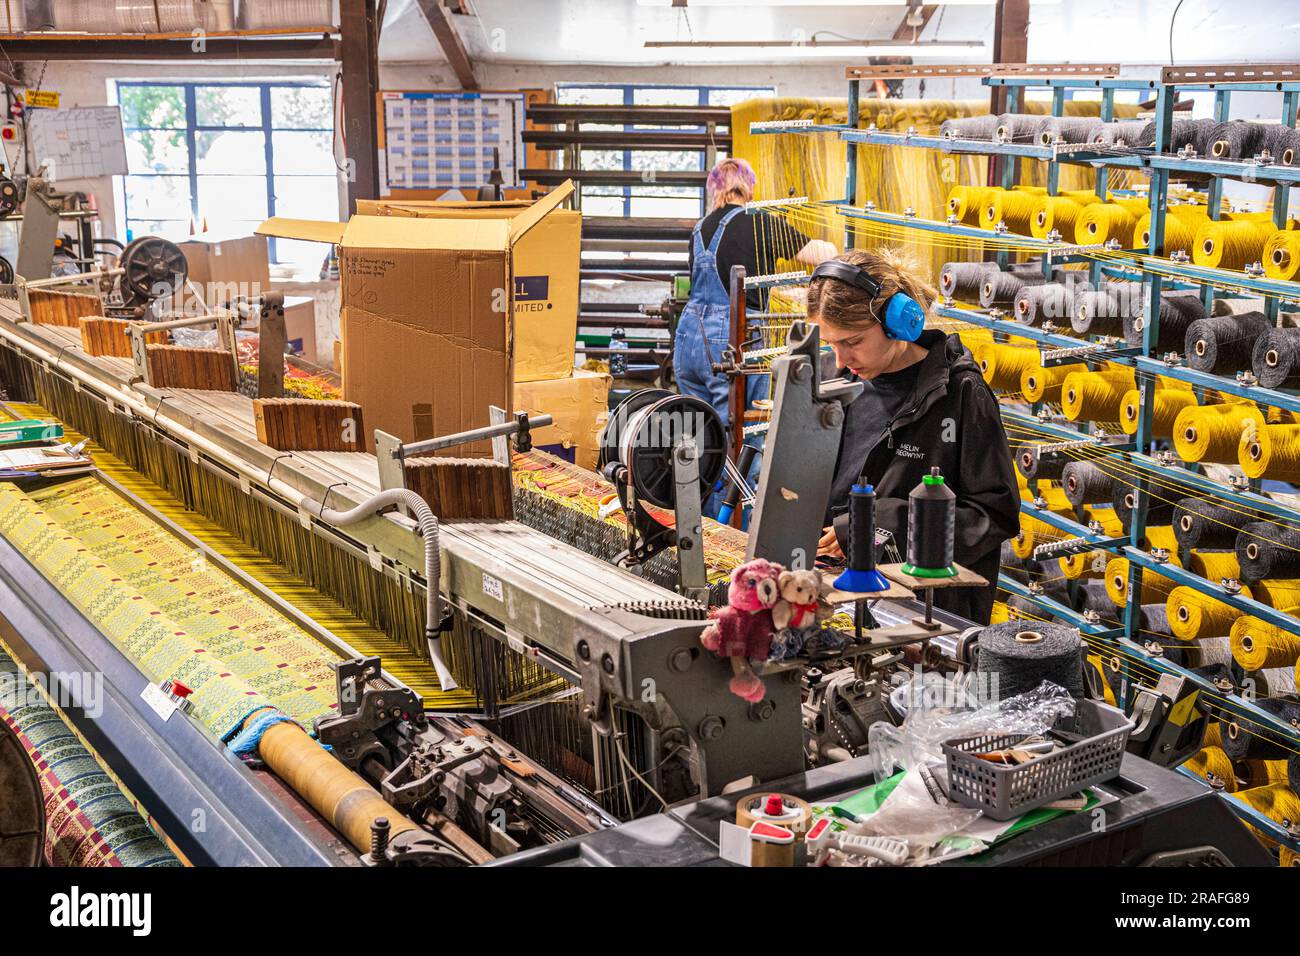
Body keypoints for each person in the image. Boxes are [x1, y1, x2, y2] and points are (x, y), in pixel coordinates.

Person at [809, 248, 1019, 624]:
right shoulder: (830, 378)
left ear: (896, 322)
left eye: (852, 342)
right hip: (831, 595)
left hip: (921, 618)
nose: (840, 358)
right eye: (830, 343)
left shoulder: (959, 394)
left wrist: (878, 523)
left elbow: (991, 517)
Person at [674, 157, 836, 516]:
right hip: (732, 339)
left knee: (702, 440)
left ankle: (702, 532)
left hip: (689, 337)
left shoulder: (700, 228)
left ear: (715, 190)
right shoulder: (759, 221)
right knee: (745, 440)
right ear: (749, 189)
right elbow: (823, 255)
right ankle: (740, 540)